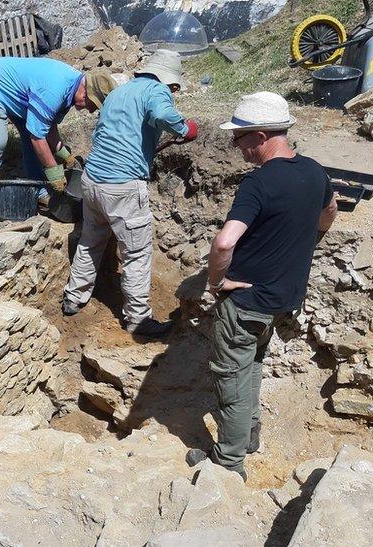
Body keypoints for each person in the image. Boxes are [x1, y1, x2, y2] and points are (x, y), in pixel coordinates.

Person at [185, 91, 338, 480]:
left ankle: (228, 463)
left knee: (231, 375)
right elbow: (330, 209)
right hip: (282, 299)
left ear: (260, 135)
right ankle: (249, 436)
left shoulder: (258, 184)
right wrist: (309, 238)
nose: (236, 146)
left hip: (247, 301)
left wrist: (217, 282)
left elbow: (224, 242)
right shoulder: (315, 171)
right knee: (251, 364)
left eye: (239, 138)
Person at [61, 50, 198, 337]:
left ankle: (74, 297)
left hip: (93, 179)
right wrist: (185, 128)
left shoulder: (119, 93)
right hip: (122, 187)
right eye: (174, 87)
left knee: (91, 240)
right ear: (169, 81)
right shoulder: (157, 91)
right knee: (136, 254)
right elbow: (162, 114)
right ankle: (137, 318)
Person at [0, 57, 117, 223]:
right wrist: (55, 174)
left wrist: (64, 155)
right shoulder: (55, 91)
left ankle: (38, 192)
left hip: (19, 94)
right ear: (85, 93)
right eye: (91, 105)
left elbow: (48, 127)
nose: (90, 111)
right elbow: (38, 138)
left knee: (30, 139)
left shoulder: (71, 89)